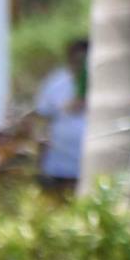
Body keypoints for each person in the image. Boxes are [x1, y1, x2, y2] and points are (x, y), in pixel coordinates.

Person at [34, 38, 89, 192]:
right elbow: (42, 118)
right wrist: (39, 157)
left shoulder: (106, 82)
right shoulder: (55, 82)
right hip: (59, 162)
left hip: (89, 163)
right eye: (77, 59)